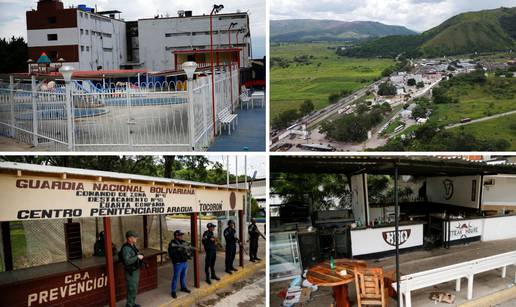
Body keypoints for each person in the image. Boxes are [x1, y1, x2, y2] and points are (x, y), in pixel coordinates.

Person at [120, 230, 144, 307]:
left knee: (134, 288)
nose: (136, 238)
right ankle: (129, 305)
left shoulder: (132, 246)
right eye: (135, 237)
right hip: (130, 272)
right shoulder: (126, 248)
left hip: (135, 270)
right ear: (130, 238)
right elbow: (127, 261)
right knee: (131, 288)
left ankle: (132, 303)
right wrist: (137, 257)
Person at [168, 230, 192, 298]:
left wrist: (187, 247)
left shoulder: (183, 242)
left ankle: (183, 287)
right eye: (180, 235)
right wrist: (179, 249)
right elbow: (171, 254)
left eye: (182, 235)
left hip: (184, 262)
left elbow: (188, 250)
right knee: (176, 277)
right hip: (178, 263)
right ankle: (173, 291)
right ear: (176, 236)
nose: (182, 236)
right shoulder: (172, 243)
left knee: (183, 276)